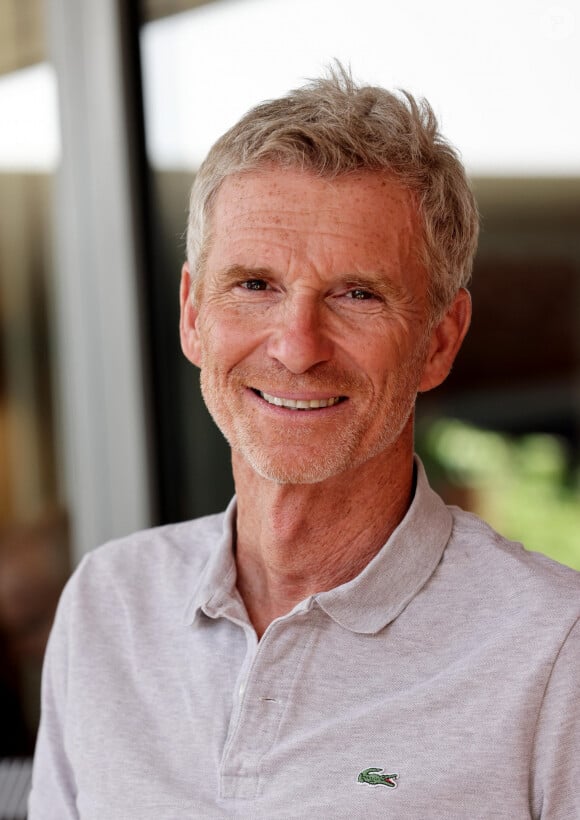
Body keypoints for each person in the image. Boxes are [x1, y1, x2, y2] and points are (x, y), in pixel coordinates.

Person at [29, 67, 579, 819]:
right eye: (254, 284)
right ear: (193, 313)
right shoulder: (110, 603)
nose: (296, 347)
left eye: (357, 294)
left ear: (439, 341)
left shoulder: (555, 648)